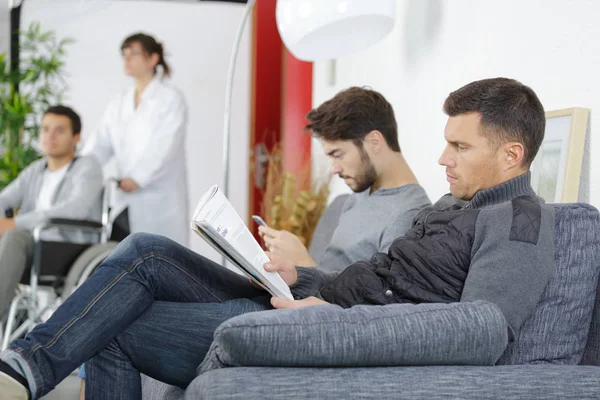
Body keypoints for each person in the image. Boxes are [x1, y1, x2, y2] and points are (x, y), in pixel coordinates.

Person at [0, 77, 556, 400]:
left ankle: (29, 369)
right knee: (146, 251)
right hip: (306, 300)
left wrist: (330, 317)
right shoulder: (455, 206)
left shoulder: (518, 221)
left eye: (460, 147)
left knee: (118, 323)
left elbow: (486, 328)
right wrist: (303, 276)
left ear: (511, 155)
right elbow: (382, 280)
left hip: (322, 326)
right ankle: (28, 364)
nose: (442, 158)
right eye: (446, 143)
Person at [259, 86, 430, 270]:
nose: (334, 169)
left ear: (374, 142)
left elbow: (382, 296)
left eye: (338, 155)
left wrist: (302, 263)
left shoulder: (409, 215)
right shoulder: (361, 193)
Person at [81, 32, 189, 246]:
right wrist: (80, 168)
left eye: (134, 53)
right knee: (121, 256)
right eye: (124, 54)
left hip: (158, 200)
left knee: (160, 259)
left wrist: (138, 178)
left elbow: (164, 148)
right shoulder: (119, 101)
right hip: (123, 199)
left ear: (152, 59)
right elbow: (101, 141)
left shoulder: (170, 99)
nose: (127, 59)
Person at [0, 105, 103, 320]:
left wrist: (15, 223)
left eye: (59, 130)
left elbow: (76, 208)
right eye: (45, 129)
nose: (50, 136)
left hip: (65, 247)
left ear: (76, 137)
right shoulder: (36, 170)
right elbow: (5, 199)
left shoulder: (87, 167)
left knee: (13, 236)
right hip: (30, 245)